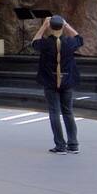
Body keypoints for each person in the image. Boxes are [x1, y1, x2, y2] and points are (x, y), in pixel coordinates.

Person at [31, 15, 83, 155]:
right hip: (67, 81)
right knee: (68, 112)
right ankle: (73, 144)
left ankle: (60, 146)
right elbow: (79, 39)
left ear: (50, 27)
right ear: (62, 26)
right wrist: (67, 25)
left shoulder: (46, 44)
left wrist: (43, 26)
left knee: (54, 112)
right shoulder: (70, 43)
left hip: (50, 81)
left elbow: (34, 43)